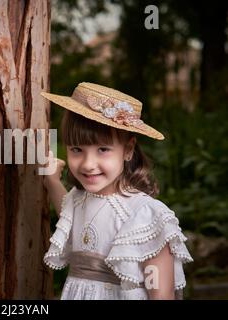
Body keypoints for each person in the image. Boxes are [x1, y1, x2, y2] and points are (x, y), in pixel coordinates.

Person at [41, 82, 192, 300]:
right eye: (76, 150)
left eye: (103, 149)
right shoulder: (78, 200)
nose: (87, 164)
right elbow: (67, 212)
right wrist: (52, 182)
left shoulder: (145, 215)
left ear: (128, 150)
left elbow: (161, 294)